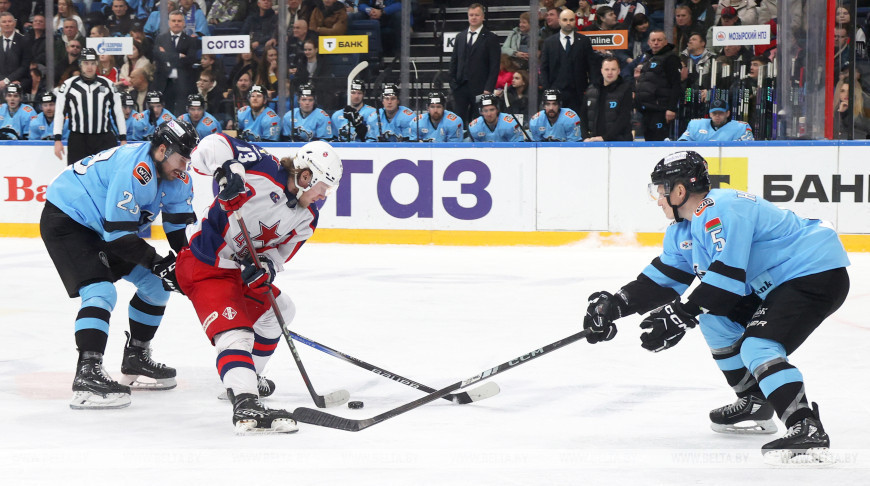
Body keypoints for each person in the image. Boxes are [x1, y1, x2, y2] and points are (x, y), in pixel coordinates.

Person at [582, 150, 849, 463]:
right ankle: (753, 399)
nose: (658, 200)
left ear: (679, 191)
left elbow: (728, 278)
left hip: (813, 273)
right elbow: (664, 279)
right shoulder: (683, 229)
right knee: (714, 320)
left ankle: (806, 426)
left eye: (660, 191)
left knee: (758, 346)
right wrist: (615, 305)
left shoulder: (722, 207)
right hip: (775, 284)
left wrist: (681, 315)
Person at [176, 135, 343, 434]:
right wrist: (228, 170)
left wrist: (266, 266)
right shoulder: (263, 166)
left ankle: (249, 376)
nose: (323, 195)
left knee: (281, 309)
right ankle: (245, 402)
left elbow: (278, 256)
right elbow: (209, 146)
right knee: (236, 333)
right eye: (323, 186)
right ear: (307, 175)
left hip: (239, 273)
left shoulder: (308, 218)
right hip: (206, 264)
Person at [40, 119, 199, 410]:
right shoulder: (134, 170)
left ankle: (136, 355)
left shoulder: (179, 177)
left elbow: (177, 231)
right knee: (101, 291)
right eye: (182, 158)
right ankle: (87, 373)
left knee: (155, 285)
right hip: (68, 219)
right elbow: (119, 237)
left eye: (189, 159)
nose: (185, 166)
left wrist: (191, 269)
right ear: (162, 150)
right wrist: (160, 263)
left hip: (105, 229)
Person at [54, 48, 127, 165]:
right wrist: (57, 139)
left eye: (93, 63)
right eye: (86, 63)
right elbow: (59, 113)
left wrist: (123, 138)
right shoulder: (69, 85)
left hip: (103, 138)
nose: (90, 67)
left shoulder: (107, 84)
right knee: (78, 177)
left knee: (106, 175)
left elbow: (117, 112)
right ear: (80, 64)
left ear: (97, 64)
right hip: (78, 139)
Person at [449, 3, 501, 127]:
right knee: (458, 119)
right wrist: (453, 82)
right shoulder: (460, 37)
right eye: (471, 15)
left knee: (478, 120)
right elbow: (454, 61)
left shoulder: (491, 38)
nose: (473, 17)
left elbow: (494, 66)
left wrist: (488, 88)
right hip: (460, 87)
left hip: (480, 87)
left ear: (483, 17)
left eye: (477, 15)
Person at [541, 9, 598, 115]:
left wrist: (592, 88)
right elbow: (544, 67)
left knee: (579, 123)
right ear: (559, 21)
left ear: (575, 21)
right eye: (565, 20)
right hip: (555, 92)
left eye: (571, 20)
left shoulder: (584, 41)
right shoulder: (549, 43)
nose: (568, 23)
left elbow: (592, 66)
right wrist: (547, 89)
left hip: (579, 92)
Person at [634, 29, 681, 141]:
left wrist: (671, 108)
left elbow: (676, 84)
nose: (656, 43)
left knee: (659, 141)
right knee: (647, 141)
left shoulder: (670, 58)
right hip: (646, 109)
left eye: (659, 40)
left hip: (660, 109)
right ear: (649, 42)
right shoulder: (646, 57)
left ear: (665, 42)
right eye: (653, 40)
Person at [153, 9, 198, 115]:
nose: (176, 23)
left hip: (183, 83)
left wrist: (167, 56)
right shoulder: (160, 38)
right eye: (174, 21)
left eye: (179, 21)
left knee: (182, 113)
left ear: (184, 23)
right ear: (169, 22)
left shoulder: (190, 41)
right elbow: (157, 56)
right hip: (164, 82)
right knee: (165, 113)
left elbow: (190, 60)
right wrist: (178, 56)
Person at [583, 56, 634, 141]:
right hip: (595, 141)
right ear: (601, 71)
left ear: (619, 71)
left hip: (620, 142)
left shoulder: (626, 89)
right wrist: (585, 137)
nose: (610, 72)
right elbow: (583, 116)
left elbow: (624, 118)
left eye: (613, 69)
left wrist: (605, 138)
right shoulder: (591, 89)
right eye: (607, 69)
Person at [678, 99, 754, 141]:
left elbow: (746, 149)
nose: (717, 116)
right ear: (710, 114)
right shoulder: (695, 125)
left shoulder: (741, 127)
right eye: (714, 113)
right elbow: (683, 142)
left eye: (721, 113)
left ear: (728, 113)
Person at [332, 78, 375, 142]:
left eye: (359, 93)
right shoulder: (336, 115)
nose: (356, 96)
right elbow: (334, 139)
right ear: (347, 93)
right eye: (353, 93)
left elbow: (373, 138)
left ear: (364, 94)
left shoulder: (372, 113)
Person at [0, 12, 33, 91]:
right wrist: (2, 82)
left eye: (9, 21)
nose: (7, 24)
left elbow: (25, 66)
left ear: (15, 23)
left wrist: (7, 81)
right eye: (4, 22)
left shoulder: (24, 41)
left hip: (20, 81)